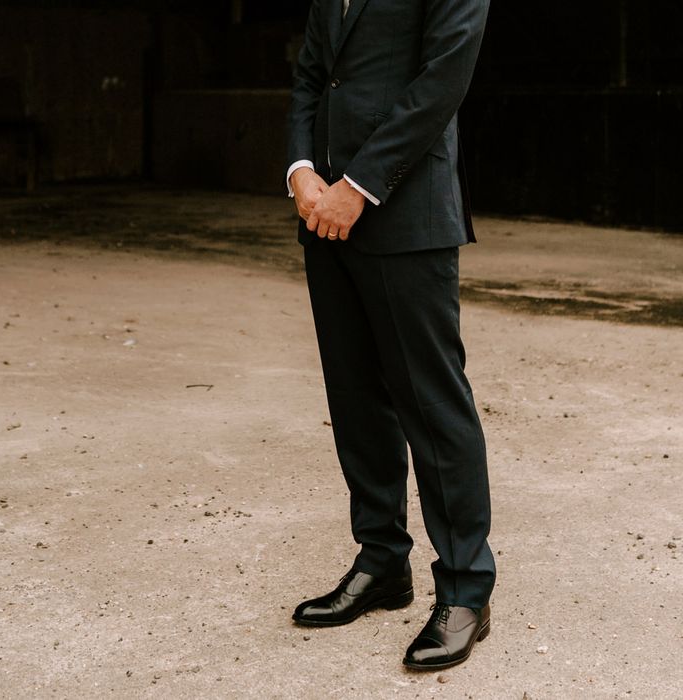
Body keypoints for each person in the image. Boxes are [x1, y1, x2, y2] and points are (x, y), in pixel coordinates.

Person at [285, 0, 495, 671]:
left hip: (405, 212)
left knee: (431, 402)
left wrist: (359, 184)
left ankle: (465, 587)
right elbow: (312, 76)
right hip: (324, 217)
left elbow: (442, 81)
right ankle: (382, 563)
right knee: (355, 396)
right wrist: (301, 171)